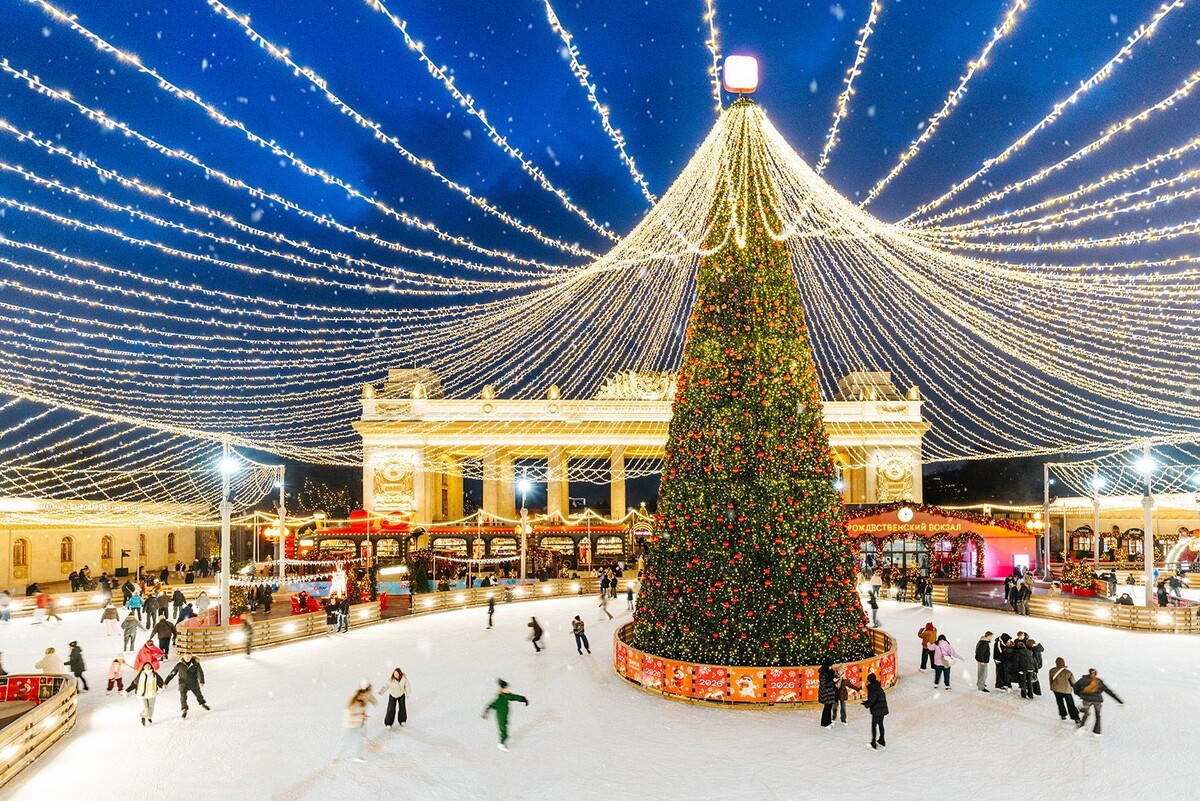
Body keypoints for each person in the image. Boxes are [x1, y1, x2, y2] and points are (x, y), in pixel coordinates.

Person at [333, 681, 376, 764]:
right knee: (344, 743)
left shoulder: (361, 703)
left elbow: (361, 711)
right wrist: (361, 717)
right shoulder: (351, 705)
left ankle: (356, 756)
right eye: (361, 696)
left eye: (364, 696)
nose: (363, 697)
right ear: (357, 696)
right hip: (349, 727)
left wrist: (363, 716)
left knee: (358, 741)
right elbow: (349, 717)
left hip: (357, 726)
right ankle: (336, 758)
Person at [1073, 668, 1124, 736]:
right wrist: (1119, 701)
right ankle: (1097, 731)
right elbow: (1108, 691)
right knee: (1098, 715)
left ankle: (1081, 726)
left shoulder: (1083, 680)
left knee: (1085, 712)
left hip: (1087, 699)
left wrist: (1079, 694)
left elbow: (1075, 686)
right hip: (1098, 701)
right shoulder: (1099, 681)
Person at [481, 679, 528, 752]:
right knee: (503, 730)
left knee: (504, 727)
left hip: (503, 716)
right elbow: (514, 697)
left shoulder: (501, 697)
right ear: (503, 688)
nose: (507, 689)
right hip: (501, 716)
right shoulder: (504, 696)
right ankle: (501, 744)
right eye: (506, 688)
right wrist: (523, 699)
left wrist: (486, 712)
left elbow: (491, 705)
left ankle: (503, 742)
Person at [163, 651, 208, 718]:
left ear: (191, 657)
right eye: (186, 657)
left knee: (198, 694)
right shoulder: (179, 665)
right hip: (183, 683)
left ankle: (203, 703)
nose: (187, 658)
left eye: (188, 657)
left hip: (193, 683)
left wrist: (201, 681)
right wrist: (166, 682)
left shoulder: (196, 664)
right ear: (183, 657)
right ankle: (184, 709)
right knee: (183, 697)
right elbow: (172, 673)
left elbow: (200, 673)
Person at [861, 672, 888, 749]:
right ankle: (882, 741)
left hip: (877, 710)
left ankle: (873, 743)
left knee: (874, 726)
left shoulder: (872, 689)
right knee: (880, 724)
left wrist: (866, 704)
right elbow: (874, 699)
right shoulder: (878, 687)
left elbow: (872, 701)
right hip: (882, 709)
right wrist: (867, 702)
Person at [1048, 657, 1080, 722]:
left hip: (1056, 689)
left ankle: (1063, 715)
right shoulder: (1068, 672)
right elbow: (1073, 682)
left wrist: (1051, 687)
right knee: (1070, 704)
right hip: (1066, 690)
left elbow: (1051, 680)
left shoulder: (1052, 670)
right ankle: (1076, 718)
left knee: (1060, 702)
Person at [818, 659, 838, 728]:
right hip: (825, 692)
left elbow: (833, 679)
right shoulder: (822, 673)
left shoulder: (831, 671)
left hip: (830, 692)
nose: (831, 667)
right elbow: (824, 684)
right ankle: (824, 723)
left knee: (829, 707)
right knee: (826, 707)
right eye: (830, 666)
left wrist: (836, 677)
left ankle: (828, 721)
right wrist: (832, 681)